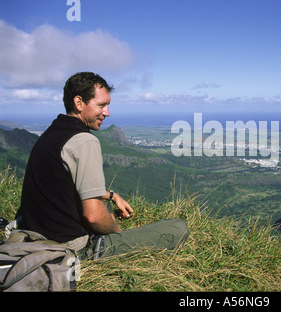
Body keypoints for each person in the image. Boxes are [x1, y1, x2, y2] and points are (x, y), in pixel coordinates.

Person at [15, 72, 189, 260]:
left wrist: (111, 195)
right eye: (101, 105)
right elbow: (94, 216)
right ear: (79, 103)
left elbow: (60, 185)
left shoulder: (52, 133)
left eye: (107, 105)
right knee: (178, 228)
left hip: (35, 237)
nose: (107, 112)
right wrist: (117, 233)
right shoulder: (84, 141)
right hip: (70, 248)